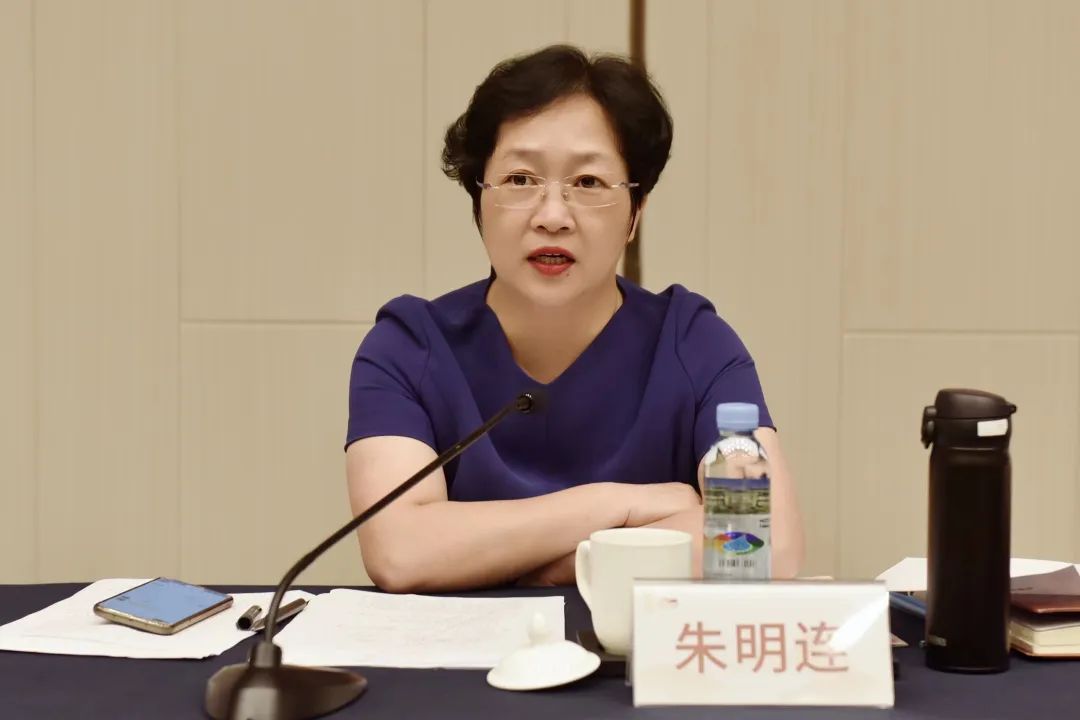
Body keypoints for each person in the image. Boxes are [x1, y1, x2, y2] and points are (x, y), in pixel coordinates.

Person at [345, 45, 803, 592]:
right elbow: (399, 552)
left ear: (636, 212)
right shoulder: (408, 347)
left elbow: (762, 538)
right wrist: (619, 506)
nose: (553, 216)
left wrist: (536, 565)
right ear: (478, 201)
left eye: (588, 183)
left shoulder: (694, 344)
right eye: (520, 180)